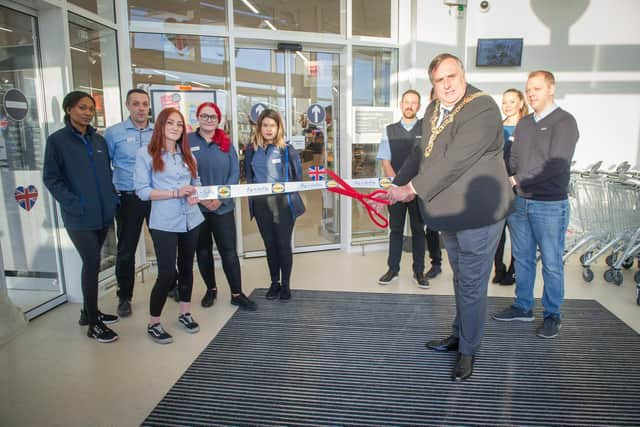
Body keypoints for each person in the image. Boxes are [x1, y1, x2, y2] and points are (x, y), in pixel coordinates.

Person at [387, 53, 513, 381]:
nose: (447, 85)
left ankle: (468, 351)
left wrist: (411, 189)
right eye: (439, 80)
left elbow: (454, 160)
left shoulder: (482, 107)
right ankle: (460, 334)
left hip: (480, 214)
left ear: (463, 74)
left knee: (471, 282)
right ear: (433, 84)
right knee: (461, 280)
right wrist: (397, 183)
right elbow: (421, 153)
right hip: (449, 214)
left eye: (451, 77)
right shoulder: (432, 109)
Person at [493, 71, 579, 339]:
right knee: (523, 259)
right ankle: (523, 306)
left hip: (550, 206)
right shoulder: (525, 124)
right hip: (521, 203)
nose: (531, 93)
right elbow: (516, 158)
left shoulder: (565, 122)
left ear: (551, 89)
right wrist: (516, 181)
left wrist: (518, 179)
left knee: (552, 263)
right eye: (528, 89)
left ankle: (553, 314)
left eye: (537, 89)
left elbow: (556, 164)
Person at [43, 91, 119, 343]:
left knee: (93, 262)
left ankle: (89, 312)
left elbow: (106, 175)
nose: (87, 112)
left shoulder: (99, 141)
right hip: (79, 216)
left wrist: (111, 200)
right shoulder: (57, 141)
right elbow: (51, 178)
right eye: (81, 107)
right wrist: (75, 203)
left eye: (90, 109)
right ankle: (93, 324)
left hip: (102, 214)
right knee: (92, 262)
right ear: (68, 110)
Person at [134, 107, 204, 344]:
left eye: (180, 124)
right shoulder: (146, 154)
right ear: (161, 126)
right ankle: (154, 323)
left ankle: (185, 312)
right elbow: (142, 192)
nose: (175, 128)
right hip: (164, 222)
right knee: (166, 273)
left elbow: (197, 182)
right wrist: (175, 192)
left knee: (186, 267)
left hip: (191, 220)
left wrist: (196, 193)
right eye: (170, 123)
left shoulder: (188, 155)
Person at [188, 102, 257, 310]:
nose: (209, 120)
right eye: (205, 116)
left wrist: (220, 199)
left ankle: (237, 293)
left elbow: (235, 173)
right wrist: (201, 198)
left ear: (219, 120)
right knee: (203, 252)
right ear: (198, 118)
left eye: (213, 117)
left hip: (223, 207)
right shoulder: (187, 141)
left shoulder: (226, 143)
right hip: (197, 207)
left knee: (229, 251)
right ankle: (211, 290)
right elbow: (184, 171)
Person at [376, 89, 439, 289]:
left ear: (419, 106)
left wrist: (411, 188)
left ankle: (419, 272)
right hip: (396, 189)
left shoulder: (427, 129)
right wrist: (398, 187)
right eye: (406, 102)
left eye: (414, 102)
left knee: (418, 231)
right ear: (401, 105)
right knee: (395, 230)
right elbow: (386, 162)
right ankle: (392, 269)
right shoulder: (389, 130)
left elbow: (429, 163)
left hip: (419, 191)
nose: (409, 106)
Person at [244, 109, 305, 301]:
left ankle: (286, 286)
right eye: (265, 125)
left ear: (279, 128)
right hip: (261, 204)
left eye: (273, 125)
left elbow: (297, 177)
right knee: (270, 245)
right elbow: (249, 177)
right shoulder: (251, 150)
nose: (269, 129)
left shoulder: (288, 149)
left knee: (283, 244)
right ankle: (274, 283)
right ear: (259, 127)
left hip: (283, 205)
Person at [104, 88, 154, 317]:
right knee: (126, 250)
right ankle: (124, 296)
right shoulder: (114, 133)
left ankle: (171, 284)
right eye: (136, 103)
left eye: (144, 104)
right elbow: (106, 166)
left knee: (165, 242)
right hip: (128, 198)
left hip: (156, 197)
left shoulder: (159, 132)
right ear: (127, 106)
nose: (141, 108)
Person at [492, 88, 529, 286]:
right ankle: (498, 269)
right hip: (497, 188)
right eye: (504, 102)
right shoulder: (497, 128)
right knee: (497, 233)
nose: (507, 106)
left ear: (521, 103)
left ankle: (514, 271)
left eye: (512, 101)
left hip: (517, 188)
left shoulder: (526, 128)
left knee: (517, 233)